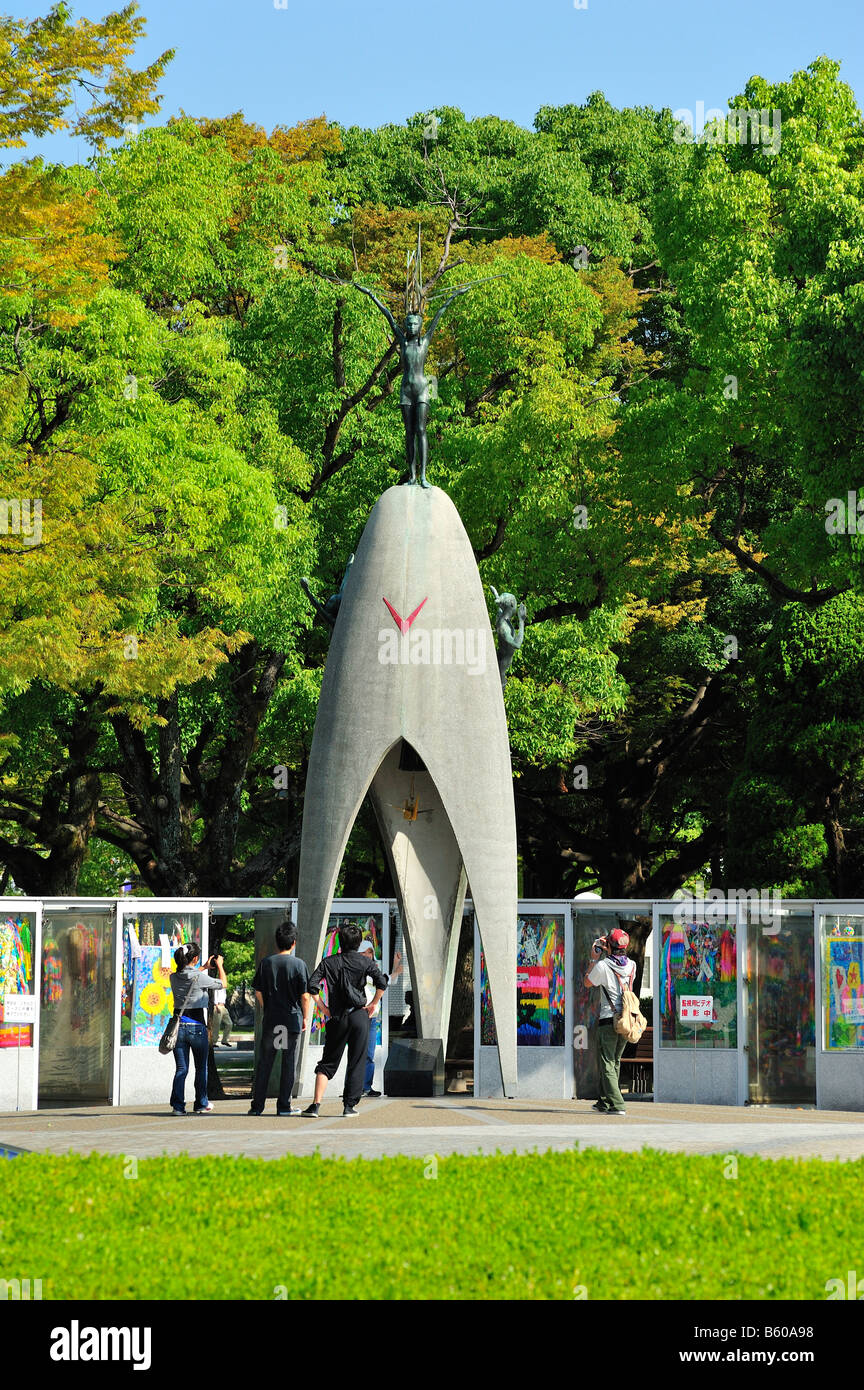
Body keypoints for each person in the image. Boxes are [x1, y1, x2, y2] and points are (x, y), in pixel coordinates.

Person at [303, 923, 389, 1117]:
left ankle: (316, 1105)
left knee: (328, 1061)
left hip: (337, 1016)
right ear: (358, 943)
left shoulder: (329, 962)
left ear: (340, 942)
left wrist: (324, 1008)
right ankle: (349, 1106)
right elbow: (382, 982)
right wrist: (374, 1003)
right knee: (357, 1060)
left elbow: (312, 985)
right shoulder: (365, 962)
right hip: (360, 1015)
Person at [249, 922, 311, 1117]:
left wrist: (266, 1007)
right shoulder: (299, 964)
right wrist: (305, 1017)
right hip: (291, 1020)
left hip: (272, 1021)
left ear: (277, 942)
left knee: (265, 1063)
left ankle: (257, 1106)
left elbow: (258, 991)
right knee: (288, 1062)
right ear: (293, 943)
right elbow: (305, 996)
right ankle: (284, 1106)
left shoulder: (267, 963)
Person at [583, 928, 636, 1116]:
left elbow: (588, 982)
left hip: (608, 1020)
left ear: (609, 946)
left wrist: (593, 958)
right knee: (614, 1062)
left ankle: (618, 1104)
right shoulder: (632, 965)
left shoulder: (603, 966)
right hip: (626, 1020)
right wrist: (609, 951)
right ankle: (604, 1102)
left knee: (606, 1062)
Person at [169, 944, 227, 1115]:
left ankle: (178, 1106)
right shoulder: (198, 977)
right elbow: (223, 984)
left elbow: (190, 976)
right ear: (194, 959)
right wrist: (220, 965)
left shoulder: (173, 977)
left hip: (178, 1028)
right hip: (197, 1027)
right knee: (201, 1068)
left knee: (181, 1069)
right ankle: (201, 1103)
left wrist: (203, 967)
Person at [357, 942, 403, 1099]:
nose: (367, 955)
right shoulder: (356, 968)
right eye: (364, 952)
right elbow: (383, 980)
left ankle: (366, 1087)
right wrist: (395, 971)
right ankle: (355, 1087)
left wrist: (395, 966)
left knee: (369, 1052)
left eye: (370, 952)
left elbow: (386, 981)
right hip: (360, 1015)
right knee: (359, 1052)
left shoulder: (374, 967)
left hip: (373, 1017)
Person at [210, 981, 233, 1049]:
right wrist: (216, 1006)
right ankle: (214, 1042)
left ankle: (224, 1040)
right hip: (218, 1006)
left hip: (223, 1007)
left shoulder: (224, 988)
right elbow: (214, 997)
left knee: (229, 1024)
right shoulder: (217, 987)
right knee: (216, 1025)